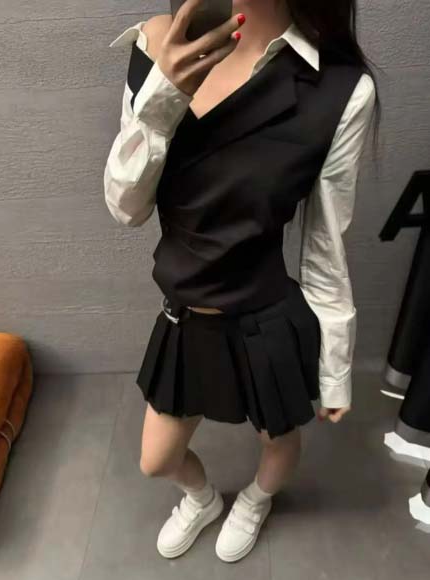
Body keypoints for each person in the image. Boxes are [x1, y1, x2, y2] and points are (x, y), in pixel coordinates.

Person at [104, 0, 380, 563]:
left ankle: (255, 501)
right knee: (157, 459)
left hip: (265, 315)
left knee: (279, 443)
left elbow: (324, 244)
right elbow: (127, 208)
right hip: (188, 314)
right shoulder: (157, 46)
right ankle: (202, 499)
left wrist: (335, 369)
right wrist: (163, 98)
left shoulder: (339, 88)